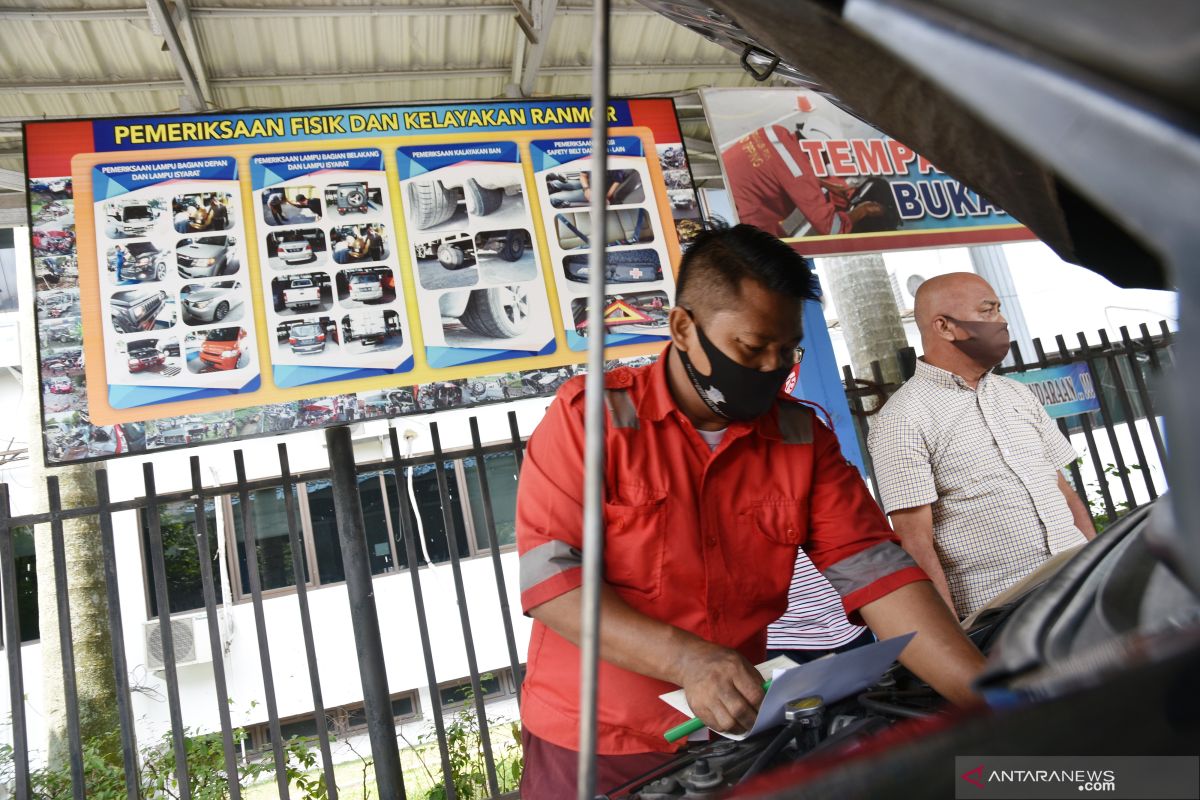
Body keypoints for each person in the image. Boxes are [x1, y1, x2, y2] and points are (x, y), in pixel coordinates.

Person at [516, 225, 986, 798]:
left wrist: (990, 697)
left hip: (734, 729)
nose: (770, 367)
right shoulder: (592, 421)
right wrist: (687, 661)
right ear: (683, 328)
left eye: (785, 350)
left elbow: (878, 573)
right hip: (595, 742)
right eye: (750, 348)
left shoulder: (799, 437)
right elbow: (553, 586)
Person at [867, 273, 1096, 619]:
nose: (1002, 321)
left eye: (999, 310)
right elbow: (915, 542)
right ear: (944, 327)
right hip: (1006, 613)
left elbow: (1063, 490)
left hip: (1082, 584)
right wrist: (955, 637)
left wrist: (1098, 560)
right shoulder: (902, 419)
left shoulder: (1017, 393)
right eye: (988, 311)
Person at [721, 119, 883, 237]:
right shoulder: (800, 176)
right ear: (819, 149)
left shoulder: (775, 131)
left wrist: (820, 182)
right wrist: (863, 210)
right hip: (739, 217)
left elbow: (778, 166)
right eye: (828, 155)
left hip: (719, 187)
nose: (828, 161)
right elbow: (831, 228)